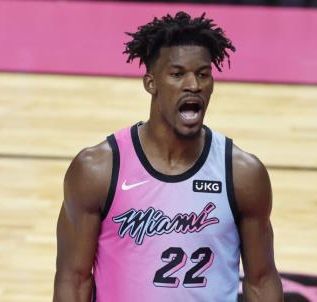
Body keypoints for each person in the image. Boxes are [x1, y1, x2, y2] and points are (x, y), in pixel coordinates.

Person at [53, 11, 283, 302]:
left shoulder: (242, 174)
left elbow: (261, 281)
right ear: (151, 83)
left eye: (203, 74)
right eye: (177, 74)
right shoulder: (97, 170)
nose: (193, 85)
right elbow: (73, 280)